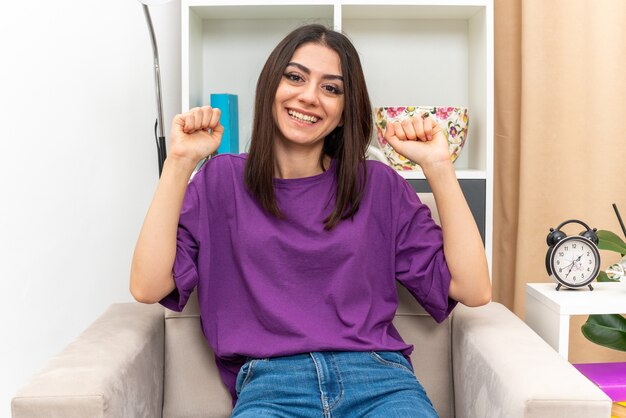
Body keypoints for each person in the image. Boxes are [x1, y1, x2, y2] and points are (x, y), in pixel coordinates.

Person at [130, 23, 490, 417]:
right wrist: (180, 162)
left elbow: (473, 290)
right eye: (295, 77)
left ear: (343, 113)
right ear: (271, 86)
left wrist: (438, 166)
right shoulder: (219, 181)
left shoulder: (378, 185)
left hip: (380, 382)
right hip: (271, 388)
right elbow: (148, 286)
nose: (309, 96)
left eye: (331, 88)